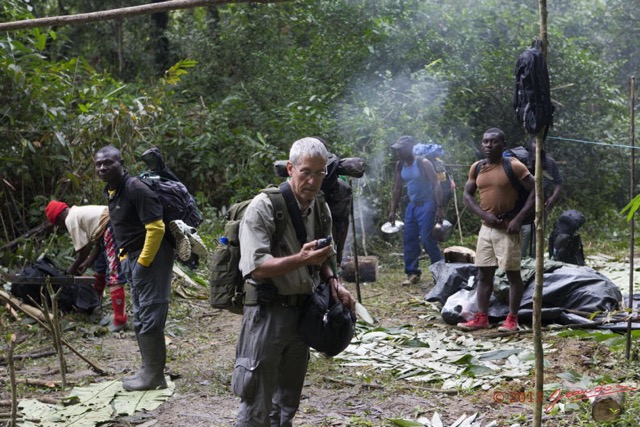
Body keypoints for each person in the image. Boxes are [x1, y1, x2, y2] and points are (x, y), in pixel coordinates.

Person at [233, 137, 356, 426]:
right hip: (267, 312)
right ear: (291, 169)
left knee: (287, 400)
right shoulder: (263, 207)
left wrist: (335, 283)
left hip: (303, 313)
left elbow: (324, 257)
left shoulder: (320, 207)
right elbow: (256, 268)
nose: (313, 181)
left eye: (320, 173)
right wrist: (300, 260)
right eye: (306, 172)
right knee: (256, 402)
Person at [94, 145, 174, 391]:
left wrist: (142, 262)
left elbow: (156, 227)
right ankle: (147, 370)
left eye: (108, 163)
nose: (102, 168)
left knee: (150, 315)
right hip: (133, 258)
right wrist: (125, 259)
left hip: (151, 257)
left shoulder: (135, 188)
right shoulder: (113, 191)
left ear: (121, 163)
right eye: (98, 164)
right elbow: (124, 228)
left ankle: (154, 376)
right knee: (140, 315)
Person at [458, 128, 534, 332]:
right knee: (484, 274)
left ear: (503, 144)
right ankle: (481, 317)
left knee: (512, 274)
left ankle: (512, 319)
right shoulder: (477, 168)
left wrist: (519, 219)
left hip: (508, 228)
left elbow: (536, 190)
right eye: (485, 142)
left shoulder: (514, 166)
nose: (488, 146)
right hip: (486, 229)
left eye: (493, 142)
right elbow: (467, 195)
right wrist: (484, 216)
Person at [44, 200, 128, 332]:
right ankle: (94, 303)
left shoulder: (70, 219)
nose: (61, 227)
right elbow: (95, 242)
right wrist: (87, 263)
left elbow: (84, 250)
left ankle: (120, 319)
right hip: (108, 228)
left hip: (112, 227)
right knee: (100, 268)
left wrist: (73, 267)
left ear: (59, 218)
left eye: (58, 225)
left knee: (113, 274)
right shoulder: (77, 212)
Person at [388, 135, 444, 286]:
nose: (398, 153)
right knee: (409, 238)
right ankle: (412, 272)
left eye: (401, 149)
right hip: (412, 205)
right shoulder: (400, 165)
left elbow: (436, 184)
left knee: (427, 238)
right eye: (397, 150)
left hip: (428, 204)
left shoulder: (423, 162)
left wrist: (439, 207)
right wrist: (392, 210)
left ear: (409, 148)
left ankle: (440, 272)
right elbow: (397, 188)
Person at [520, 137, 563, 257]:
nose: (537, 146)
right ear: (530, 144)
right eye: (534, 143)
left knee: (539, 231)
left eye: (540, 143)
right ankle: (521, 259)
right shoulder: (523, 160)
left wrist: (553, 198)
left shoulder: (550, 162)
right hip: (525, 202)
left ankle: (535, 258)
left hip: (543, 202)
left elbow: (558, 183)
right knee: (525, 231)